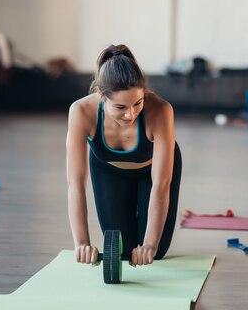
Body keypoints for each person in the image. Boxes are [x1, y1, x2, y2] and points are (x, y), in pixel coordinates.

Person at [66, 44, 181, 267]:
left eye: (138, 103)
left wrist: (149, 244)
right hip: (109, 171)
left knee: (153, 254)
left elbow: (161, 185)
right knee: (124, 251)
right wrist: (81, 243)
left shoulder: (161, 110)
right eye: (120, 107)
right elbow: (76, 184)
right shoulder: (80, 112)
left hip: (152, 173)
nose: (131, 114)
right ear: (101, 95)